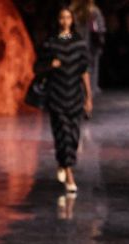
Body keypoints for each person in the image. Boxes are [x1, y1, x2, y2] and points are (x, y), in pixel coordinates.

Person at [37, 7, 92, 194]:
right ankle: (69, 175)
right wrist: (50, 65)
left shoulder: (79, 43)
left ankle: (63, 162)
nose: (65, 20)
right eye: (62, 17)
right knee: (63, 134)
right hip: (56, 95)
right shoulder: (51, 43)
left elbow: (84, 71)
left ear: (72, 20)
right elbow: (37, 67)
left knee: (74, 136)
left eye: (68, 17)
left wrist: (89, 97)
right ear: (58, 20)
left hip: (75, 95)